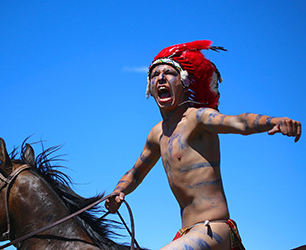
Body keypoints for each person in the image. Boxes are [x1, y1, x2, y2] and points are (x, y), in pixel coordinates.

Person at [105, 40, 301, 250]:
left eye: (169, 73)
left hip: (213, 229)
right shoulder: (156, 134)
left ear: (184, 82)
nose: (161, 78)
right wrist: (118, 192)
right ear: (150, 88)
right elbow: (136, 173)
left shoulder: (197, 118)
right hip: (186, 233)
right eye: (155, 75)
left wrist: (276, 121)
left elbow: (238, 122)